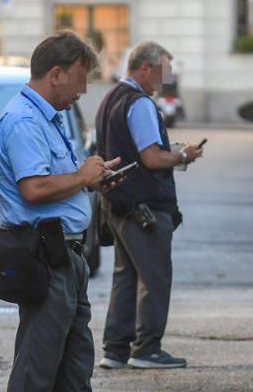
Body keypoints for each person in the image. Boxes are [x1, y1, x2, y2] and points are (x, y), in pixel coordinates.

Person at [0, 31, 118, 392]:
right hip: (47, 256)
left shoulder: (48, 117)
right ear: (56, 73)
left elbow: (53, 181)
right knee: (38, 369)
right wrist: (81, 177)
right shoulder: (24, 121)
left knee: (75, 367)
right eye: (80, 78)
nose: (82, 90)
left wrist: (88, 180)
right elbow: (33, 189)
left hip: (67, 256)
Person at [96, 41, 203, 369]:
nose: (164, 80)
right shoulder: (139, 103)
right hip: (143, 206)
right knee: (155, 278)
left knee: (125, 276)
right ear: (145, 68)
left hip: (117, 202)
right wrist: (183, 155)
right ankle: (146, 349)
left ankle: (115, 350)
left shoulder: (110, 98)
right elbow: (151, 157)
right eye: (162, 72)